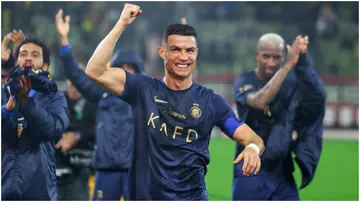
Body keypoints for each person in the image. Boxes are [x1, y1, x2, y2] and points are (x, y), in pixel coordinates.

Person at [85, 3, 265, 200]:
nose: (183, 57)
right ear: (162, 52)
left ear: (196, 53)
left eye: (189, 50)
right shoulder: (142, 89)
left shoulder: (210, 102)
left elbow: (252, 138)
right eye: (176, 50)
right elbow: (94, 70)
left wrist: (252, 149)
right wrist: (121, 24)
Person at [55, 9, 144, 200]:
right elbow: (75, 74)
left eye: (131, 68)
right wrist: (64, 40)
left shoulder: (145, 97)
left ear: (139, 72)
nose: (126, 72)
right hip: (105, 171)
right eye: (122, 67)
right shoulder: (101, 93)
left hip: (135, 172)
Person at [232, 33, 326, 200]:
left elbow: (317, 98)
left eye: (277, 57)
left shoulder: (290, 82)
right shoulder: (244, 80)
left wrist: (303, 60)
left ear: (283, 56)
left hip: (283, 172)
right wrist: (287, 65)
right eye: (266, 57)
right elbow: (260, 101)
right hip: (250, 170)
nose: (271, 62)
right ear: (257, 55)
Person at [1, 37, 70, 200]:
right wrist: (6, 111)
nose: (28, 58)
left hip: (39, 189)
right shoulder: (4, 93)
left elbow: (53, 130)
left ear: (45, 65)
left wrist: (26, 101)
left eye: (35, 55)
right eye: (23, 54)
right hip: (4, 187)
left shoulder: (54, 97)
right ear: (17, 61)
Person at [56, 79, 97, 200]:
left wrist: (77, 135)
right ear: (67, 83)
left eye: (78, 86)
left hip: (83, 164)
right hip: (57, 164)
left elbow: (97, 128)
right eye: (72, 85)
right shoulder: (57, 101)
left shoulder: (92, 102)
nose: (74, 89)